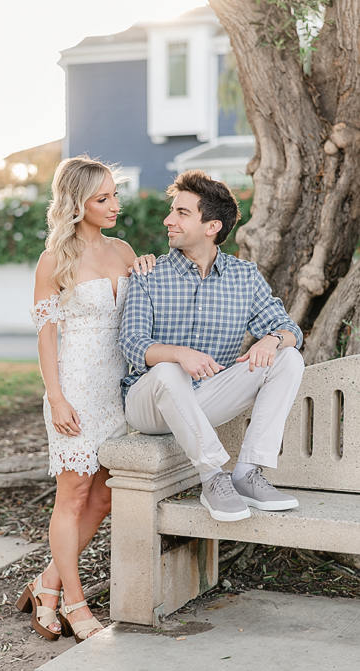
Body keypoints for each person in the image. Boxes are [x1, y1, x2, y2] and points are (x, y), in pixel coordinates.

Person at [16, 157, 154, 643]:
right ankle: (74, 603)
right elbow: (45, 336)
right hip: (74, 387)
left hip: (120, 391)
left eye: (115, 194)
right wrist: (55, 397)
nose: (114, 205)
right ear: (76, 204)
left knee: (105, 494)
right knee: (73, 496)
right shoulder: (54, 259)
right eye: (102, 198)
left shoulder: (124, 250)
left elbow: (142, 312)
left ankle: (47, 583)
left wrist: (147, 268)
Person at [119, 169, 304, 523]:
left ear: (212, 227)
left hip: (206, 398)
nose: (167, 220)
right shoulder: (149, 273)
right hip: (149, 404)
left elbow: (290, 329)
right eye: (172, 210)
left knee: (289, 358)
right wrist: (178, 354)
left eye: (181, 213)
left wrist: (272, 339)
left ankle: (247, 472)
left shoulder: (244, 277)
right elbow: (132, 343)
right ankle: (212, 477)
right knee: (169, 369)